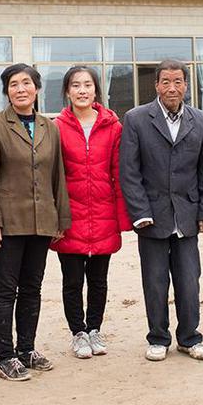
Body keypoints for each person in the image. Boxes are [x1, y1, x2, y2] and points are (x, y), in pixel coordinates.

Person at [0, 63, 71, 381]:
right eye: (13, 84)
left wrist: (60, 216)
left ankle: (26, 349)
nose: (20, 89)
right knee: (6, 290)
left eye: (26, 83)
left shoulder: (49, 127)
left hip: (42, 221)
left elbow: (57, 175)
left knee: (33, 287)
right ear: (7, 91)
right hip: (8, 223)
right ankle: (5, 356)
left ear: (37, 89)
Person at [119, 59, 203, 362]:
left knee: (189, 280)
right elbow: (129, 172)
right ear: (156, 85)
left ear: (186, 85)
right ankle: (158, 337)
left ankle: (190, 337)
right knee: (155, 280)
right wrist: (140, 212)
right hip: (151, 216)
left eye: (178, 81)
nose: (172, 87)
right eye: (166, 82)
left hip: (187, 215)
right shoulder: (136, 119)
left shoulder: (200, 120)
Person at [51, 66, 132, 359]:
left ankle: (95, 328)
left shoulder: (113, 126)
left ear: (97, 90)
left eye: (87, 85)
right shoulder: (56, 127)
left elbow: (119, 172)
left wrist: (122, 218)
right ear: (67, 91)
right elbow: (53, 175)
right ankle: (78, 332)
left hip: (102, 212)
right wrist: (56, 217)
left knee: (99, 279)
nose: (82, 90)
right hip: (69, 214)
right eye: (76, 85)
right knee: (71, 280)